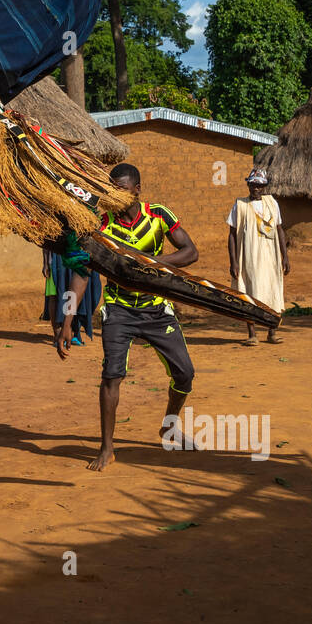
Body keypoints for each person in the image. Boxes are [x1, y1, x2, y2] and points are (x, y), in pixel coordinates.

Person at [55, 163, 201, 471]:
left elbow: (190, 252)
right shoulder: (101, 226)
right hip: (119, 309)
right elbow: (82, 272)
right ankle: (107, 448)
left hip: (157, 308)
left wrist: (153, 262)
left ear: (137, 189)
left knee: (184, 373)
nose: (116, 195)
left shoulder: (159, 215)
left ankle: (169, 426)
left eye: (122, 189)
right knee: (111, 376)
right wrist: (68, 319)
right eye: (112, 189)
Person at [227, 166, 289, 345]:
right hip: (249, 258)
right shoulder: (240, 205)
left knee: (272, 291)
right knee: (249, 292)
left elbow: (279, 229)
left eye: (260, 186)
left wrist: (285, 256)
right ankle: (252, 334)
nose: (256, 189)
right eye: (253, 185)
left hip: (271, 257)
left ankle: (272, 332)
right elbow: (232, 235)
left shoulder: (272, 203)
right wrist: (233, 262)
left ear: (265, 187)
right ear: (248, 185)